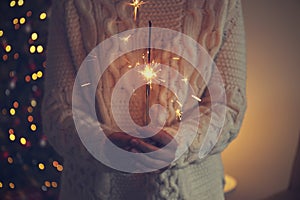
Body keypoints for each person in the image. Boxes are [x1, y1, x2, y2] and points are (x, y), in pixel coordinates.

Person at [42, 0, 247, 199]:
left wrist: (183, 142)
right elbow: (57, 111)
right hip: (92, 190)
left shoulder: (220, 5)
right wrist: (101, 144)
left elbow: (229, 107)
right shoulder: (73, 5)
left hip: (193, 191)